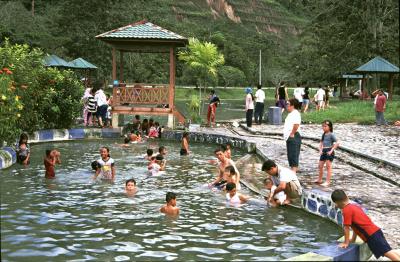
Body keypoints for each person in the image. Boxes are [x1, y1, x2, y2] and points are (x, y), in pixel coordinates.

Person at [331, 189, 400, 261]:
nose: (335, 205)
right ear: (347, 197)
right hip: (376, 232)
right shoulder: (354, 206)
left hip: (371, 236)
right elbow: (355, 226)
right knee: (388, 251)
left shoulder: (346, 210)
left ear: (338, 203)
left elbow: (346, 227)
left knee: (387, 253)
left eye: (335, 203)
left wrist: (346, 243)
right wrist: (353, 239)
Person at [315, 120, 339, 186]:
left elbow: (337, 143)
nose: (323, 128)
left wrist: (331, 150)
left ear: (330, 127)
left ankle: (328, 181)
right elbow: (321, 143)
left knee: (328, 166)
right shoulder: (324, 134)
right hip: (324, 151)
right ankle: (319, 179)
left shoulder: (331, 134)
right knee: (320, 166)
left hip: (329, 150)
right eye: (323, 126)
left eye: (325, 126)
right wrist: (320, 150)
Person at [283, 98, 302, 173]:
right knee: (290, 155)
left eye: (288, 104)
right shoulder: (291, 114)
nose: (286, 106)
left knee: (294, 155)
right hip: (289, 136)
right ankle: (292, 170)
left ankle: (293, 174)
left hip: (294, 136)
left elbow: (296, 124)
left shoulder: (295, 113)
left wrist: (292, 133)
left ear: (292, 106)